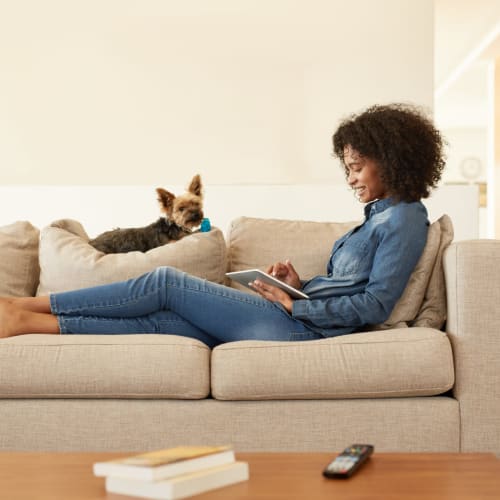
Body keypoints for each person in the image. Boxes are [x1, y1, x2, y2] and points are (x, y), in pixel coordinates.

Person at [0, 103, 445, 346]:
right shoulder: (377, 217)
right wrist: (300, 284)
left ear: (390, 161)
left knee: (167, 283)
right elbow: (346, 285)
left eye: (356, 167)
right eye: (346, 168)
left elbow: (374, 305)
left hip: (305, 329)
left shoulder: (405, 219)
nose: (349, 179)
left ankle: (27, 306)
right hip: (300, 317)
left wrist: (297, 308)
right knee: (166, 322)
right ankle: (23, 324)